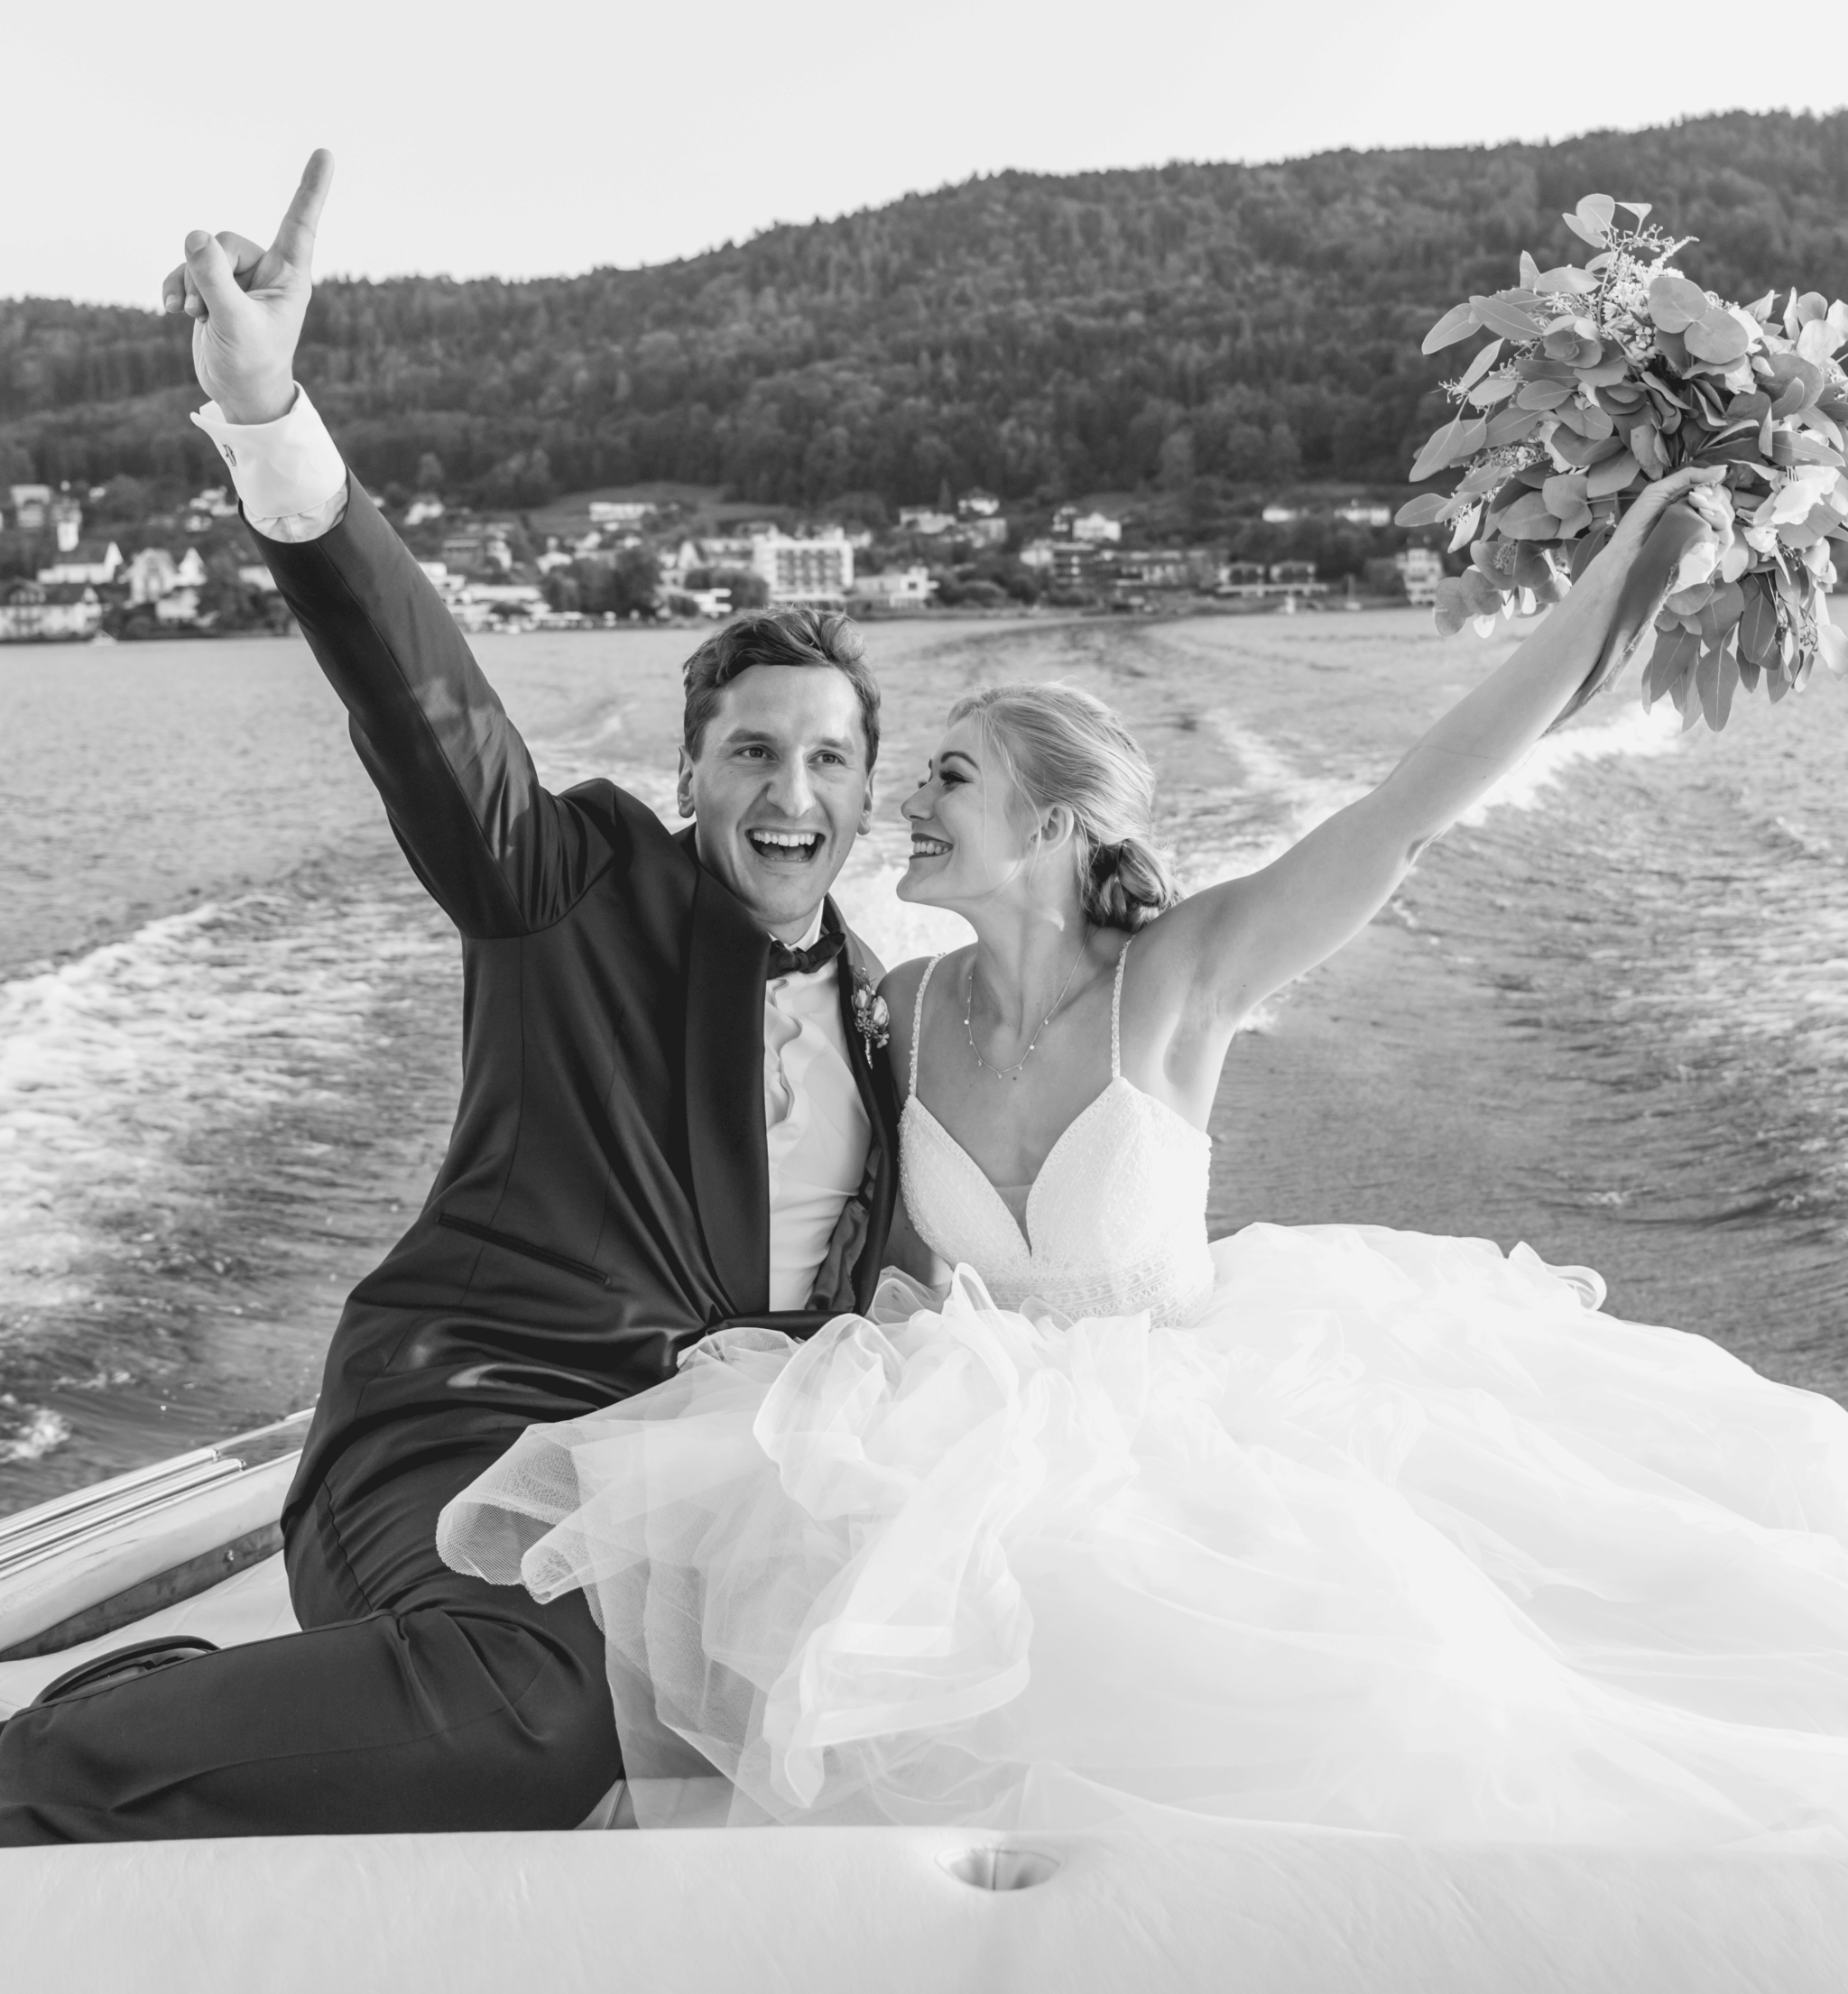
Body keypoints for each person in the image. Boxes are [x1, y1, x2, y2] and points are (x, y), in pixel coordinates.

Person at [442, 495, 1848, 1845]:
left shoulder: (1184, 979)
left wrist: (1628, 570)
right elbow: (856, 1228)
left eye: (949, 777)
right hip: (959, 1444)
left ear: (1052, 828)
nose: (904, 803)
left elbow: (1415, 805)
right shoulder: (906, 1008)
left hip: (1185, 1444)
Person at [0, 155, 905, 1844]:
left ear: (869, 796)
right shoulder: (569, 882)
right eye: (756, 751)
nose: (794, 789)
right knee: (541, 1726)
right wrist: (273, 419)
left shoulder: (885, 1006)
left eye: (831, 759)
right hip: (459, 1430)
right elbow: (433, 712)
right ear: (693, 776)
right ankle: (47, 1771)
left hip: (688, 1488)